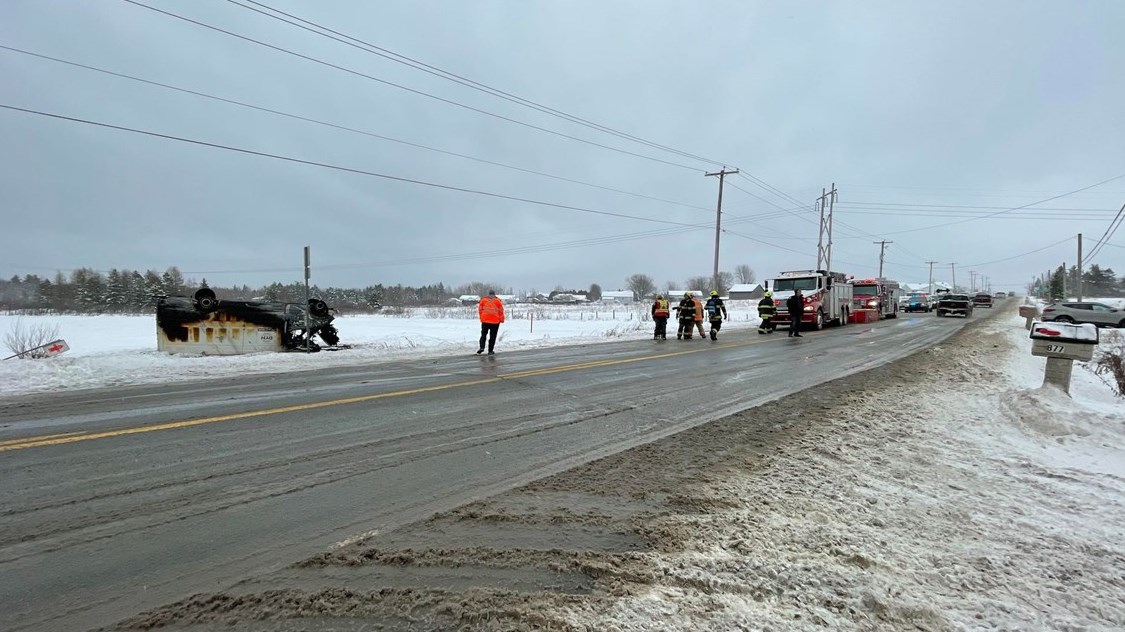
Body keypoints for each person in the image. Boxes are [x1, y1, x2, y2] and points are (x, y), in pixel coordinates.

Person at [477, 290, 505, 354]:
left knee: (483, 335)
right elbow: (501, 312)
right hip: (495, 322)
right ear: (494, 294)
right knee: (493, 336)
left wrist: (481, 318)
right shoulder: (498, 301)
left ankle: (482, 347)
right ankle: (490, 350)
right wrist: (502, 320)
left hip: (485, 321)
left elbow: (480, 310)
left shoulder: (483, 300)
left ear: (488, 294)